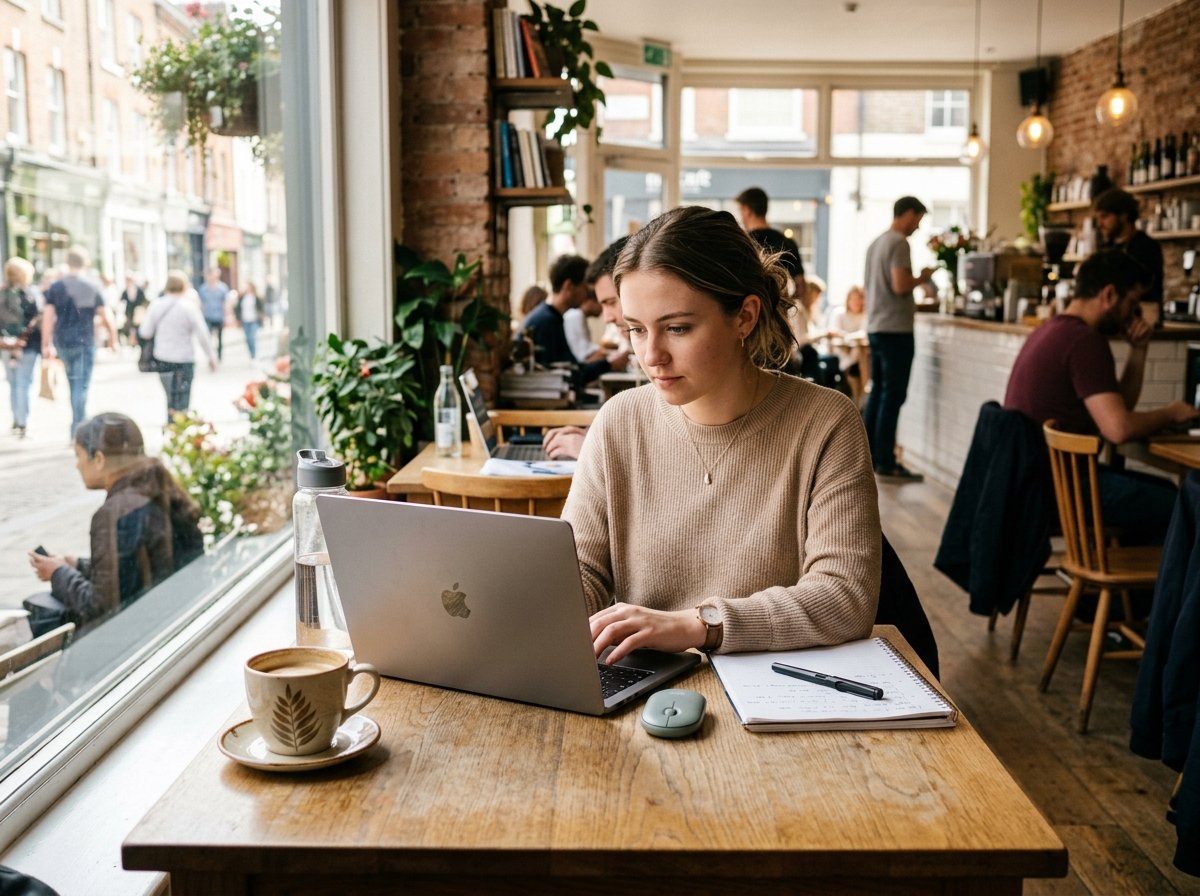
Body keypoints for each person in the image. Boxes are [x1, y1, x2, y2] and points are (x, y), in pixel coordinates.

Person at [562, 206, 881, 662]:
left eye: (677, 328)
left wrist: (701, 625)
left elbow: (845, 595)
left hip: (774, 686)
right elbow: (582, 572)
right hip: (644, 683)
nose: (651, 356)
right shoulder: (618, 422)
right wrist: (543, 603)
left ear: (744, 317)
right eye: (636, 330)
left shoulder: (826, 422)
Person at [1004, 248, 1199, 540]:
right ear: (1108, 294)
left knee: (1168, 495)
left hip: (1036, 483)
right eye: (1131, 302)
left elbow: (1118, 410)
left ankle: (1139, 571)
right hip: (1060, 488)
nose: (1132, 314)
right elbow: (1118, 429)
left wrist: (1139, 351)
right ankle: (1145, 571)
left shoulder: (1052, 330)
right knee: (1184, 505)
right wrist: (1171, 413)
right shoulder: (1083, 341)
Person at [25, 413, 204, 637]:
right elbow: (130, 573)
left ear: (99, 459)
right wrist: (77, 565)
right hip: (176, 622)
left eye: (78, 455)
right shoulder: (156, 488)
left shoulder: (114, 514)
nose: (77, 465)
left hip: (139, 638)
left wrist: (58, 573)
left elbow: (100, 607)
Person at [862, 196, 936, 483]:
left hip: (876, 325)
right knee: (893, 395)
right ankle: (886, 460)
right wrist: (923, 277)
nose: (918, 226)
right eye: (918, 219)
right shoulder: (899, 243)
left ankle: (867, 456)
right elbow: (900, 284)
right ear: (907, 214)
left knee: (879, 391)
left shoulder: (875, 243)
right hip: (896, 329)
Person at [542, 236, 631, 461]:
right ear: (569, 286)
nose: (607, 317)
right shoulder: (548, 321)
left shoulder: (554, 318)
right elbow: (573, 374)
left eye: (611, 302)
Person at [40, 245, 120, 438]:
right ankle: (79, 429)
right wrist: (113, 338)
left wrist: (45, 344)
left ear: (68, 262)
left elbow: (48, 317)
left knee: (73, 383)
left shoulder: (56, 287)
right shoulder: (92, 285)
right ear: (85, 263)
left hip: (62, 341)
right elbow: (106, 315)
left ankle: (77, 426)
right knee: (81, 385)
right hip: (84, 341)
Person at [518, 254, 626, 386]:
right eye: (585, 288)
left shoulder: (551, 317)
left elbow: (571, 369)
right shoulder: (546, 321)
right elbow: (568, 375)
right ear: (569, 286)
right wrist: (609, 364)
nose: (587, 295)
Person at [139, 270, 218, 421]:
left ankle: (171, 425)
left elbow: (145, 332)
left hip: (163, 358)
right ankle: (181, 429)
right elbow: (203, 334)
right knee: (183, 400)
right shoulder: (189, 307)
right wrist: (211, 357)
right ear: (184, 286)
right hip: (184, 359)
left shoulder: (156, 305)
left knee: (170, 398)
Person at [1093, 187, 1164, 321]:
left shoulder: (1147, 247)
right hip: (1109, 321)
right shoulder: (1105, 249)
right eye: (1098, 218)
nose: (1099, 224)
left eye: (1104, 216)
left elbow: (1146, 291)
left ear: (1123, 215)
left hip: (1141, 321)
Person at [736, 186, 806, 299]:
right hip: (782, 306)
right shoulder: (787, 242)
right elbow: (800, 286)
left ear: (747, 210)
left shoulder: (741, 243)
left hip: (751, 306)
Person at [1, 257, 42, 438]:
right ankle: (25, 421)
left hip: (6, 345)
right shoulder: (29, 295)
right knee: (25, 383)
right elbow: (37, 318)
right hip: (27, 345)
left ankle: (17, 419)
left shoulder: (1, 294)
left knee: (13, 383)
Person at [829, 285, 868, 406]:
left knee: (859, 352)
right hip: (842, 353)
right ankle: (861, 397)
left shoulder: (865, 315)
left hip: (857, 355)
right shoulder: (839, 313)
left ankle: (858, 400)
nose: (857, 302)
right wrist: (851, 338)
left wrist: (847, 336)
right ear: (848, 299)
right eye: (853, 299)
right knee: (859, 357)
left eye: (859, 298)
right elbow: (834, 333)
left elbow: (864, 334)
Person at [197, 268, 231, 361]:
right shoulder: (203, 288)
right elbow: (201, 303)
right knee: (208, 337)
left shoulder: (222, 288)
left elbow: (226, 303)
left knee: (220, 337)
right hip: (207, 316)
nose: (211, 277)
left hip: (219, 316)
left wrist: (227, 316)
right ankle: (211, 356)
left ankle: (219, 355)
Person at [238, 282, 264, 360]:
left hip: (253, 320)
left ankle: (253, 354)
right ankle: (251, 353)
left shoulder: (256, 297)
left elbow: (261, 308)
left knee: (252, 337)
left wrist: (261, 317)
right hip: (245, 321)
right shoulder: (243, 298)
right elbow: (238, 308)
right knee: (247, 339)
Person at [120, 274, 148, 346]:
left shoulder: (139, 290)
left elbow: (143, 300)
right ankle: (131, 341)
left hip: (137, 312)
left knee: (137, 327)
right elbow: (122, 300)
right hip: (129, 312)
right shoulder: (125, 290)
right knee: (130, 327)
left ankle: (137, 341)